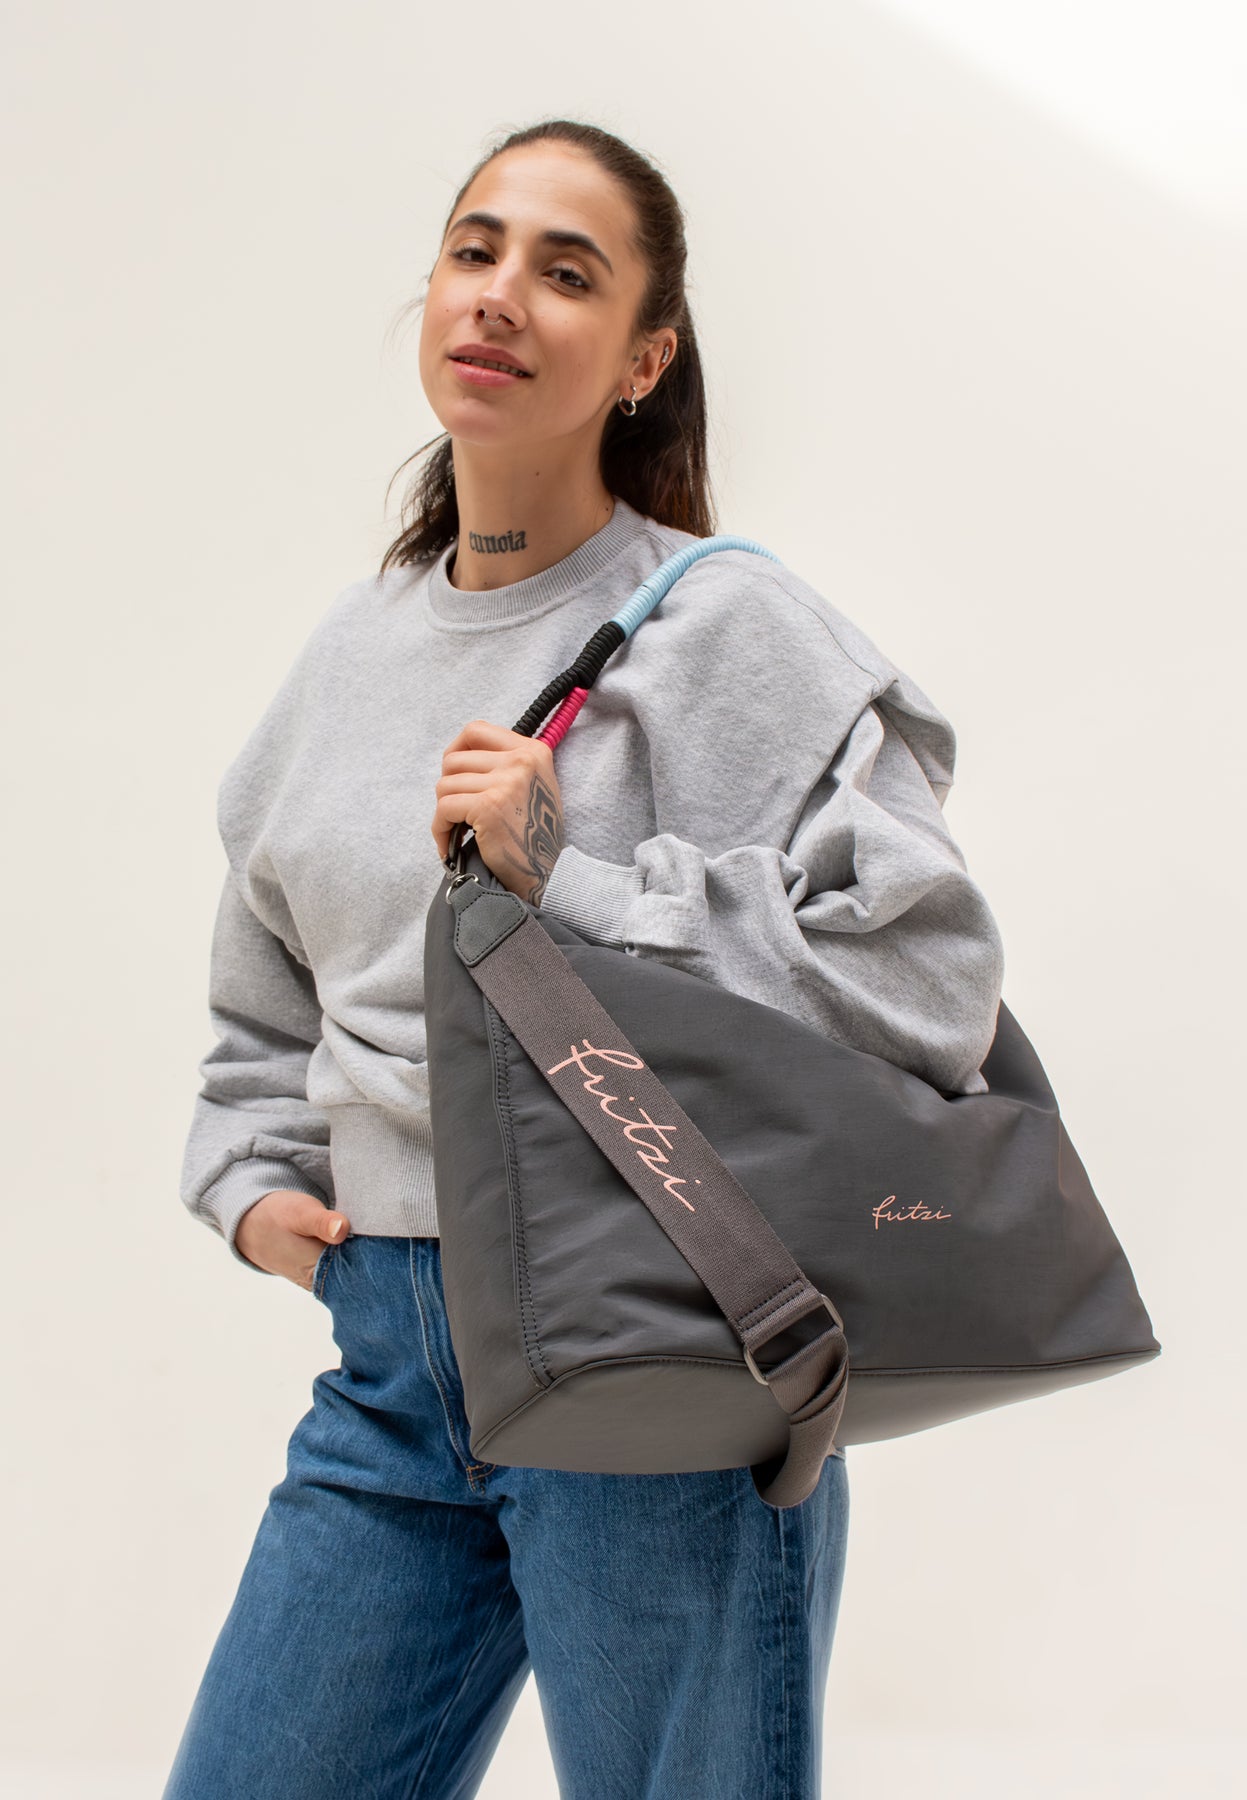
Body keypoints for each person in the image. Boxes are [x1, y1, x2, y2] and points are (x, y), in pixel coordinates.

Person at [163, 118, 1006, 1799]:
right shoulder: (352, 649)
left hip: (663, 1364)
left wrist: (582, 885)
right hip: (394, 1370)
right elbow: (266, 983)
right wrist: (248, 1178)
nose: (499, 296)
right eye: (474, 250)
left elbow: (932, 976)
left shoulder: (728, 627)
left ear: (643, 358)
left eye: (566, 272)